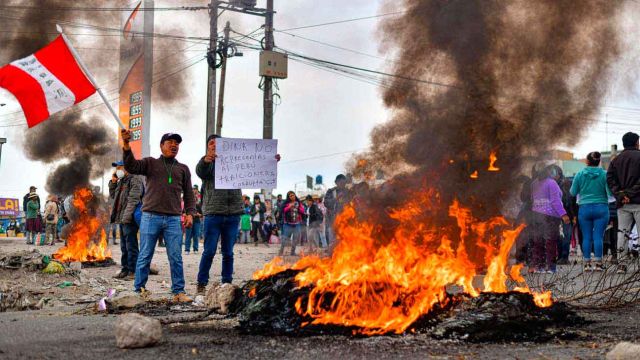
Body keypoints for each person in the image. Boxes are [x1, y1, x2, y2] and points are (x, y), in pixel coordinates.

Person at [121, 130, 196, 303]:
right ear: (161, 146)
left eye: (176, 143)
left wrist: (190, 213)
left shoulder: (183, 169)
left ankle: (178, 291)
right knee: (145, 254)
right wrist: (126, 145)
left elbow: (189, 195)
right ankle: (139, 289)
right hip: (150, 216)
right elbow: (131, 166)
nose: (174, 145)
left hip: (173, 219)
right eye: (169, 142)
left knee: (176, 256)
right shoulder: (150, 163)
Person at [194, 134, 244, 293]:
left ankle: (227, 284)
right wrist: (206, 160)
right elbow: (200, 171)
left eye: (218, 143)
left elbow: (256, 168)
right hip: (213, 214)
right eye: (211, 143)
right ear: (207, 147)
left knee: (228, 252)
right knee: (209, 251)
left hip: (233, 214)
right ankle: (201, 284)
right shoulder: (207, 163)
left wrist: (269, 160)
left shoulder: (236, 161)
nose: (214, 145)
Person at [570, 152, 611, 271]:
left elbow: (572, 192)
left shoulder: (579, 174)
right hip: (601, 208)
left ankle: (587, 264)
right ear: (599, 162)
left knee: (586, 237)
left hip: (584, 208)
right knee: (598, 236)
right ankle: (598, 264)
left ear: (587, 161)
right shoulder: (604, 174)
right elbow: (609, 193)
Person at [607, 132, 640, 274]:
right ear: (636, 142)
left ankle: (621, 264)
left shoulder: (616, 160)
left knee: (623, 233)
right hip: (638, 201)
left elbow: (610, 179)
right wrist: (630, 193)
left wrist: (621, 194)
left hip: (622, 204)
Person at [530, 164, 570, 273]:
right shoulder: (551, 183)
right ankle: (551, 267)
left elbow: (532, 199)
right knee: (550, 241)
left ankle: (539, 266)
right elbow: (555, 201)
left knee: (538, 241)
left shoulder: (534, 184)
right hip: (550, 216)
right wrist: (564, 214)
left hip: (536, 215)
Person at [109, 160, 144, 280]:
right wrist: (113, 183)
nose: (117, 170)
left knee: (131, 245)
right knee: (124, 246)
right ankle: (125, 269)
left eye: (119, 167)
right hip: (122, 218)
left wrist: (126, 217)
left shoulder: (135, 179)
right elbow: (114, 197)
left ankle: (133, 271)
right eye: (117, 168)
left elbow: (133, 200)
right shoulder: (122, 181)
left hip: (129, 219)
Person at [324, 174, 350, 244]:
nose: (343, 185)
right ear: (336, 182)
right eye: (341, 183)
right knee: (333, 243)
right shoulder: (331, 191)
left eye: (344, 183)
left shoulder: (348, 192)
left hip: (345, 223)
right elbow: (326, 203)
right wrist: (336, 198)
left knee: (345, 243)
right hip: (332, 222)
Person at [280, 191, 305, 256]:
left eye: (293, 195)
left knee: (295, 238)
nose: (292, 197)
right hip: (287, 224)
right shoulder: (286, 203)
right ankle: (281, 251)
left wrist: (298, 207)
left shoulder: (299, 203)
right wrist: (289, 206)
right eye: (290, 196)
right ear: (288, 197)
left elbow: (302, 211)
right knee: (285, 238)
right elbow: (283, 210)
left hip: (297, 224)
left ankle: (292, 252)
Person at [184, 190, 203, 254]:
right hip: (188, 221)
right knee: (188, 236)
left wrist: (197, 214)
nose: (194, 199)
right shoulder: (187, 206)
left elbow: (202, 215)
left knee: (196, 236)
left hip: (197, 222)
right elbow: (183, 213)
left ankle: (195, 249)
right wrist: (188, 215)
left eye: (195, 198)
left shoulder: (198, 205)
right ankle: (187, 249)